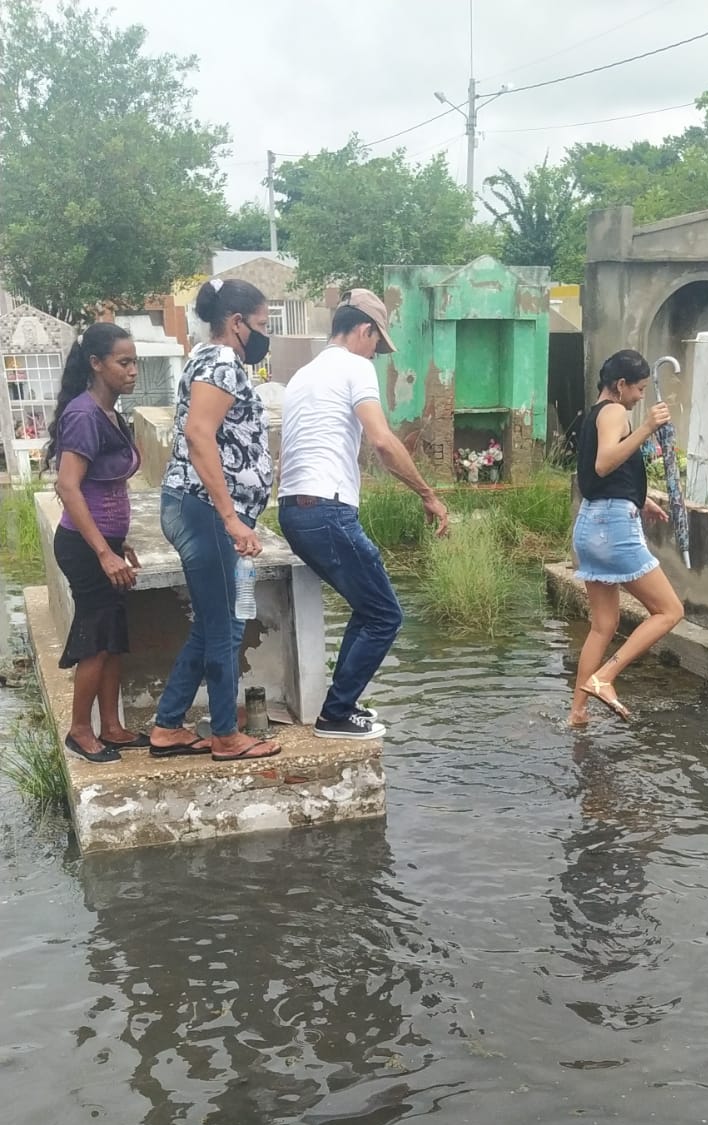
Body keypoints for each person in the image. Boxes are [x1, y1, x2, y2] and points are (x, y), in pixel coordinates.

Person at [278, 288, 449, 740]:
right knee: (385, 615)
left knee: (368, 606)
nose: (376, 354)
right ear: (363, 330)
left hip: (294, 509)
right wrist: (427, 494)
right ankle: (335, 715)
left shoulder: (303, 375)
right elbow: (382, 441)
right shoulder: (354, 367)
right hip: (327, 511)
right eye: (377, 343)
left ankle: (343, 707)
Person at [149, 277, 281, 762]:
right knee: (225, 625)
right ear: (236, 322)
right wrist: (230, 517)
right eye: (263, 324)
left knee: (210, 625)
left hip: (196, 506)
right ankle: (226, 735)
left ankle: (167, 726)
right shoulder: (222, 362)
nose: (265, 334)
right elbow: (199, 433)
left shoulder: (206, 358)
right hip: (202, 510)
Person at [568, 349, 684, 727]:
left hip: (590, 523)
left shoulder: (594, 414)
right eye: (639, 389)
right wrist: (647, 427)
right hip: (612, 529)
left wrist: (642, 498)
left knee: (604, 624)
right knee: (669, 611)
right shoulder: (617, 412)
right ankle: (605, 677)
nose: (640, 397)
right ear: (620, 385)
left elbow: (598, 475)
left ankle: (578, 714)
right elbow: (604, 462)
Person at [47, 322, 145, 763]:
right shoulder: (85, 415)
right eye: (123, 363)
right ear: (96, 364)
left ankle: (112, 726)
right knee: (96, 636)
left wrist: (115, 542)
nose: (132, 371)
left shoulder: (109, 413)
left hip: (104, 542)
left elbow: (103, 488)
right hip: (85, 549)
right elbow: (69, 487)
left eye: (134, 362)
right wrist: (103, 551)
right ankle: (81, 730)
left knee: (112, 636)